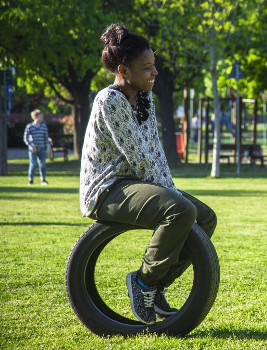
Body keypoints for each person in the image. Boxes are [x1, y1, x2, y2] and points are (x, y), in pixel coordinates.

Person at [79, 24, 217, 325]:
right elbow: (138, 157)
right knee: (180, 210)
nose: (154, 73)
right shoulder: (110, 100)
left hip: (135, 183)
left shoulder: (144, 98)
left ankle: (155, 286)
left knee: (204, 217)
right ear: (123, 69)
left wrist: (171, 189)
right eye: (147, 68)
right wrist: (172, 198)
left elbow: (154, 151)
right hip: (107, 188)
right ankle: (142, 283)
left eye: (154, 66)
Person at [23, 109, 50, 185]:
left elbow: (46, 138)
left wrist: (48, 147)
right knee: (33, 164)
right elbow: (26, 138)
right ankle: (30, 180)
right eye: (40, 116)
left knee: (43, 164)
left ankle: (43, 180)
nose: (42, 117)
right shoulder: (30, 126)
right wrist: (31, 146)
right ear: (35, 117)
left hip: (42, 148)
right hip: (33, 149)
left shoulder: (44, 126)